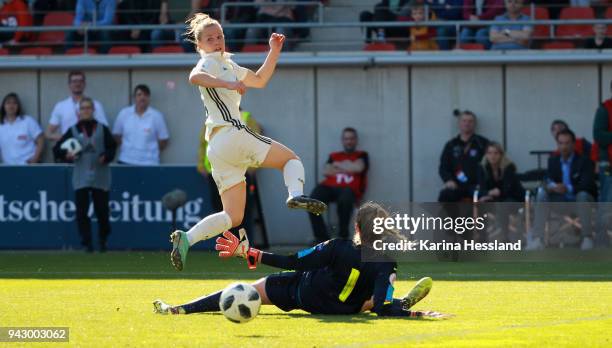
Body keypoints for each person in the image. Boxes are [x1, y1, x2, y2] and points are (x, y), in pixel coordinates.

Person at [169, 13, 327, 271]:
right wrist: (227, 83)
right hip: (231, 133)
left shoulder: (228, 64)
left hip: (218, 149)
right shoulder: (210, 62)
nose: (217, 41)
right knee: (290, 160)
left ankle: (187, 238)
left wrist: (273, 51)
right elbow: (194, 77)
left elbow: (260, 80)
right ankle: (295, 195)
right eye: (210, 38)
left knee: (233, 216)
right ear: (199, 45)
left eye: (219, 36)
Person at [154, 202, 447, 319]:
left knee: (243, 290)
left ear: (357, 228)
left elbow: (293, 262)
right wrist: (410, 315)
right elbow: (381, 310)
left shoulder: (337, 247)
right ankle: (404, 303)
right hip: (346, 308)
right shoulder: (387, 262)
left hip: (300, 293)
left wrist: (251, 253)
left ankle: (180, 309)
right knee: (373, 300)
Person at [53, 97, 117, 252]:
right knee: (82, 212)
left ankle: (103, 241)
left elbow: (112, 147)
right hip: (81, 176)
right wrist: (66, 155)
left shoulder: (102, 129)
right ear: (78, 112)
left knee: (102, 211)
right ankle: (87, 243)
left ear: (93, 110)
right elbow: (56, 150)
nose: (86, 110)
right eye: (83, 108)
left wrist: (106, 156)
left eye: (88, 108)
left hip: (100, 176)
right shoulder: (73, 130)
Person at [197, 109, 262, 242]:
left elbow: (258, 144)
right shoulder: (212, 119)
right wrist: (201, 166)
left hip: (239, 174)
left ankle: (243, 245)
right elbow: (203, 144)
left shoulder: (246, 118)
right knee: (220, 210)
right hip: (216, 175)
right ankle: (226, 245)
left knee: (242, 212)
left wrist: (251, 168)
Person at [527, 129, 597, 251]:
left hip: (579, 201)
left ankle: (587, 238)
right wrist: (552, 186)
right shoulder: (553, 161)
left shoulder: (584, 161)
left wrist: (567, 188)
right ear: (557, 144)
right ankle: (538, 239)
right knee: (542, 193)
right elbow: (549, 179)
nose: (563, 146)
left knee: (582, 195)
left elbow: (586, 185)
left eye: (567, 143)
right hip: (560, 201)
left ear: (573, 144)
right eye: (561, 143)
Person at [308, 127, 369, 243]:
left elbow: (359, 168)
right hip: (329, 187)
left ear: (356, 140)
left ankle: (343, 236)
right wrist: (349, 166)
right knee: (312, 200)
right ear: (342, 140)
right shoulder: (334, 155)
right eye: (346, 139)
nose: (349, 141)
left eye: (351, 138)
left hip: (349, 189)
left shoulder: (362, 155)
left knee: (345, 198)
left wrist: (337, 165)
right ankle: (322, 239)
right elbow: (326, 171)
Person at [438, 110, 489, 204]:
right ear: (459, 123)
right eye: (464, 121)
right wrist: (449, 180)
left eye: (470, 121)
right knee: (445, 195)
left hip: (477, 186)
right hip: (456, 186)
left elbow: (492, 164)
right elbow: (443, 167)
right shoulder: (451, 145)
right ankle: (451, 219)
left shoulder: (482, 143)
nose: (467, 124)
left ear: (474, 124)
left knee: (488, 200)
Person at [477, 142, 525, 242]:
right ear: (486, 155)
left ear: (501, 155)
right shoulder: (483, 168)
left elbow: (507, 190)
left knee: (502, 205)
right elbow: (482, 189)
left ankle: (504, 238)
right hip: (495, 200)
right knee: (480, 204)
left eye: (495, 153)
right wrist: (488, 194)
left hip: (514, 199)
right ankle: (482, 239)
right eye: (489, 153)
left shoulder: (509, 168)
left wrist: (494, 193)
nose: (492, 156)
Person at [46, 71, 108, 145]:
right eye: (74, 81)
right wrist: (66, 137)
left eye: (80, 81)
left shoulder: (96, 105)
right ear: (69, 85)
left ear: (85, 84)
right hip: (69, 151)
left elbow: (104, 130)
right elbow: (48, 133)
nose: (77, 84)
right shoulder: (60, 106)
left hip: (90, 148)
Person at [113, 84, 169, 165]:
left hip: (149, 163)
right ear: (134, 97)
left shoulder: (157, 116)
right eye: (139, 95)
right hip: (126, 161)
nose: (142, 98)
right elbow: (116, 135)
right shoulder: (124, 113)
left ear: (149, 98)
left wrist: (149, 153)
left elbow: (164, 140)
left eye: (145, 95)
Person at [592, 79, 612, 247]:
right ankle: (601, 240)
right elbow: (599, 135)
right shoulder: (605, 109)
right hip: (609, 163)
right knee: (607, 201)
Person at [0, 93, 43, 165]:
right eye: (8, 103)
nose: (11, 106)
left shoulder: (28, 121)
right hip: (8, 168)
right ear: (3, 106)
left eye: (14, 103)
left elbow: (41, 140)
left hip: (28, 167)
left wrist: (35, 159)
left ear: (18, 106)